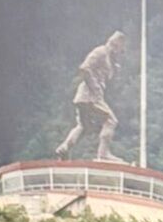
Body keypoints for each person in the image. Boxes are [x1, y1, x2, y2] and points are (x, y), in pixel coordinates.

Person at [54, 30, 126, 162]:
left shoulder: (109, 59)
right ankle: (103, 153)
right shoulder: (101, 52)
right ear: (114, 45)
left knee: (84, 126)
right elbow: (85, 68)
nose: (118, 53)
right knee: (110, 120)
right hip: (90, 95)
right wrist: (95, 87)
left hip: (87, 96)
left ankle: (65, 147)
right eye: (119, 50)